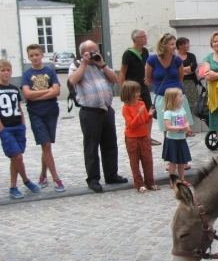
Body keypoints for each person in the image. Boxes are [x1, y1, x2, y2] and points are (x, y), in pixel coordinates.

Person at [69, 40, 128, 193]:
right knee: (91, 147)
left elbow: (115, 80)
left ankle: (111, 175)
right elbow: (73, 80)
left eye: (96, 50)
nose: (94, 53)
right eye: (91, 51)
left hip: (106, 110)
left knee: (110, 144)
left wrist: (101, 64)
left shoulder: (101, 65)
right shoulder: (76, 65)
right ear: (83, 53)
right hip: (90, 112)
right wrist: (84, 63)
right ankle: (93, 179)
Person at [20, 44, 65, 192]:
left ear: (41, 55)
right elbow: (27, 95)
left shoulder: (50, 72)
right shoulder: (26, 74)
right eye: (31, 55)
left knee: (47, 145)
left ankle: (42, 174)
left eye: (36, 55)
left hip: (51, 112)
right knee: (45, 144)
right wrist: (48, 91)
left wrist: (38, 95)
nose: (34, 58)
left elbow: (57, 91)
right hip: (36, 113)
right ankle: (56, 178)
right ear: (28, 57)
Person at [0, 59, 41, 199]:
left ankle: (13, 187)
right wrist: (2, 129)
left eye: (8, 70)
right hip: (6, 128)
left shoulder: (14, 88)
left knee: (15, 158)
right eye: (2, 70)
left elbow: (18, 107)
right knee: (17, 156)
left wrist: (23, 124)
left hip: (18, 126)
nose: (6, 73)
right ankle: (26, 181)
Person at [145, 33, 194, 144]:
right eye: (171, 44)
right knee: (167, 127)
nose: (174, 46)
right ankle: (169, 153)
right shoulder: (152, 60)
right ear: (163, 46)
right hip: (162, 97)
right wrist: (163, 87)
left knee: (181, 125)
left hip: (177, 97)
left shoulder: (177, 60)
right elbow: (149, 79)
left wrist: (174, 91)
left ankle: (181, 151)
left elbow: (180, 78)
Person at [120, 29, 159, 145]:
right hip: (132, 87)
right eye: (143, 36)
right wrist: (123, 89)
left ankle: (148, 137)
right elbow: (122, 72)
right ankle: (134, 135)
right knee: (132, 111)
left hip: (143, 86)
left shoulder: (145, 51)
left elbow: (147, 67)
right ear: (137, 39)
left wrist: (148, 78)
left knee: (148, 110)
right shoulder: (128, 54)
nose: (146, 38)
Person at [120, 81, 159, 193]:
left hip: (143, 136)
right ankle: (139, 183)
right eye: (136, 91)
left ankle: (150, 182)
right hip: (132, 138)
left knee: (148, 160)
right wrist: (138, 115)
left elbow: (145, 120)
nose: (138, 93)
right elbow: (131, 125)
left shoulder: (141, 104)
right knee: (134, 162)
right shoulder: (126, 108)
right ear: (129, 93)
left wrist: (150, 115)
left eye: (138, 91)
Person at [162, 87, 192, 187]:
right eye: (180, 96)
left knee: (182, 161)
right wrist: (179, 127)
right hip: (172, 140)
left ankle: (182, 179)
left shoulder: (182, 109)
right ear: (173, 98)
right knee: (173, 162)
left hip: (181, 139)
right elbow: (167, 126)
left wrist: (187, 126)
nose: (182, 97)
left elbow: (186, 120)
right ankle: (173, 180)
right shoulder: (168, 112)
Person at [176, 37, 198, 137]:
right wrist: (186, 70)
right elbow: (174, 70)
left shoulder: (191, 56)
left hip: (190, 83)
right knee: (179, 106)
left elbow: (193, 68)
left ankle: (189, 128)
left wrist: (180, 70)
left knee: (190, 106)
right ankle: (182, 128)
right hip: (179, 83)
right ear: (180, 45)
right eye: (185, 44)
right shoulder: (175, 57)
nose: (188, 46)